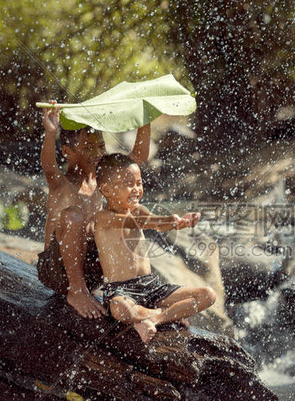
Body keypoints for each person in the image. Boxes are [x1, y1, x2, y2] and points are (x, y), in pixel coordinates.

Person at [37, 102, 151, 319]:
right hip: (56, 270)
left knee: (125, 213)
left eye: (101, 147)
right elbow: (49, 167)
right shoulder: (62, 184)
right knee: (74, 215)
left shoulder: (103, 182)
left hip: (91, 268)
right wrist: (51, 133)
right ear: (68, 152)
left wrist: (144, 118)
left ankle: (136, 293)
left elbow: (137, 158)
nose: (98, 153)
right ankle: (77, 291)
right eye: (89, 148)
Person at [94, 153, 216, 343]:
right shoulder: (103, 218)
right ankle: (166, 315)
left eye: (139, 183)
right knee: (118, 308)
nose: (136, 189)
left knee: (207, 295)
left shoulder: (139, 209)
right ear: (106, 189)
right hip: (122, 291)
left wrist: (180, 223)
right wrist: (169, 219)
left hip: (151, 286)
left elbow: (155, 224)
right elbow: (137, 222)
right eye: (129, 184)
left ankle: (155, 318)